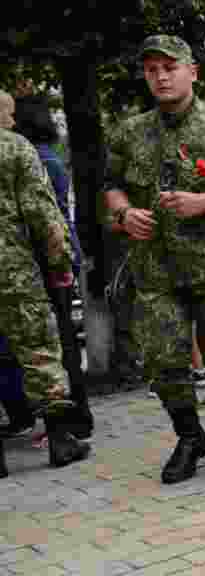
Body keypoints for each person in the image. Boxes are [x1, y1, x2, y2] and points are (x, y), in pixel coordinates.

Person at [104, 35, 205, 484]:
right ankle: (192, 436)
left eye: (169, 66)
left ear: (192, 71)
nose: (160, 75)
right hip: (155, 271)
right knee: (163, 363)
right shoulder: (129, 132)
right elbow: (111, 184)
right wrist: (124, 213)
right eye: (151, 68)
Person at [0, 109, 90, 477]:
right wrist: (60, 263)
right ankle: (61, 440)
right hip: (13, 272)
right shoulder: (15, 148)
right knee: (39, 350)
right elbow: (42, 213)